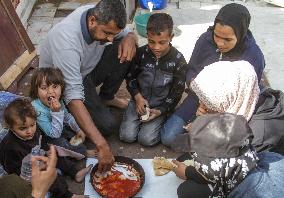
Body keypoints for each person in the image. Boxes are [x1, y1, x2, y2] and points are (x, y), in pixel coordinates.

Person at [39, 0, 138, 171]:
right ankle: (70, 114)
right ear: (92, 21)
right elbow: (73, 96)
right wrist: (102, 145)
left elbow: (125, 34)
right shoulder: (66, 42)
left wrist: (129, 37)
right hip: (63, 84)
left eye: (114, 33)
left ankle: (107, 97)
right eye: (107, 33)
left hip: (85, 70)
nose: (110, 38)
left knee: (128, 48)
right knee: (107, 126)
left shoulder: (96, 14)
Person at [161, 3, 265, 147]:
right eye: (217, 35)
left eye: (227, 39)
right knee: (169, 138)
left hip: (231, 112)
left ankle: (205, 141)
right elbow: (191, 69)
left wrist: (214, 115)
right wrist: (197, 89)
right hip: (199, 99)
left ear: (240, 35)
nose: (220, 43)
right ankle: (203, 139)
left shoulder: (253, 56)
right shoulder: (205, 40)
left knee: (227, 144)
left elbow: (248, 98)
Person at [173, 113, 284, 198]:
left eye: (198, 160)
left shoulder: (251, 193)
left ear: (214, 170)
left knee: (185, 191)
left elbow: (216, 178)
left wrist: (188, 172)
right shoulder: (270, 157)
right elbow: (221, 173)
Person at [119, 13, 188, 146]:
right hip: (137, 102)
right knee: (127, 136)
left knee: (146, 139)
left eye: (162, 42)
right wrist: (137, 98)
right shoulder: (140, 54)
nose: (156, 47)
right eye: (151, 41)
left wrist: (162, 110)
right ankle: (136, 117)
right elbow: (130, 78)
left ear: (171, 37)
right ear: (147, 36)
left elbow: (177, 91)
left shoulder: (178, 60)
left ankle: (164, 117)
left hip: (160, 106)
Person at [186, 60, 284, 153]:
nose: (201, 104)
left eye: (208, 102)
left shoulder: (255, 137)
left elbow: (231, 164)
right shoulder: (247, 93)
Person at [0, 98, 90, 197]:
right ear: (11, 127)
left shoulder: (34, 130)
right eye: (23, 128)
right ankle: (69, 195)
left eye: (32, 125)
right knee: (51, 176)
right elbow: (12, 171)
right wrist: (36, 168)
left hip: (37, 156)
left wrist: (46, 152)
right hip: (26, 172)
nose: (29, 131)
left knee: (55, 153)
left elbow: (39, 142)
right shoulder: (11, 147)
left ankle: (75, 173)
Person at [30, 67, 96, 157]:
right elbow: (54, 135)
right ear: (36, 92)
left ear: (61, 88)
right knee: (61, 143)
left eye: (55, 86)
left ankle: (74, 146)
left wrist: (78, 129)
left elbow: (67, 117)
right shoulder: (37, 110)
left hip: (58, 127)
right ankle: (83, 152)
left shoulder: (59, 100)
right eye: (44, 88)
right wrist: (56, 112)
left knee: (76, 128)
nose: (50, 92)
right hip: (47, 137)